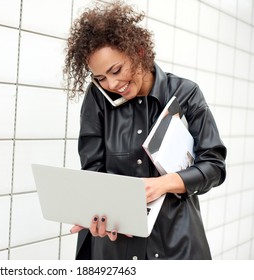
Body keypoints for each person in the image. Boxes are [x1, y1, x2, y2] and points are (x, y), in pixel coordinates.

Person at [63, 1, 227, 260]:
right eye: (100, 78)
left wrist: (163, 184)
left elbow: (214, 167)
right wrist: (97, 212)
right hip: (115, 248)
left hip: (178, 245)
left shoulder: (185, 93)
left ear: (138, 51)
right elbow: (93, 173)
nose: (112, 84)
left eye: (116, 70)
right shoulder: (97, 99)